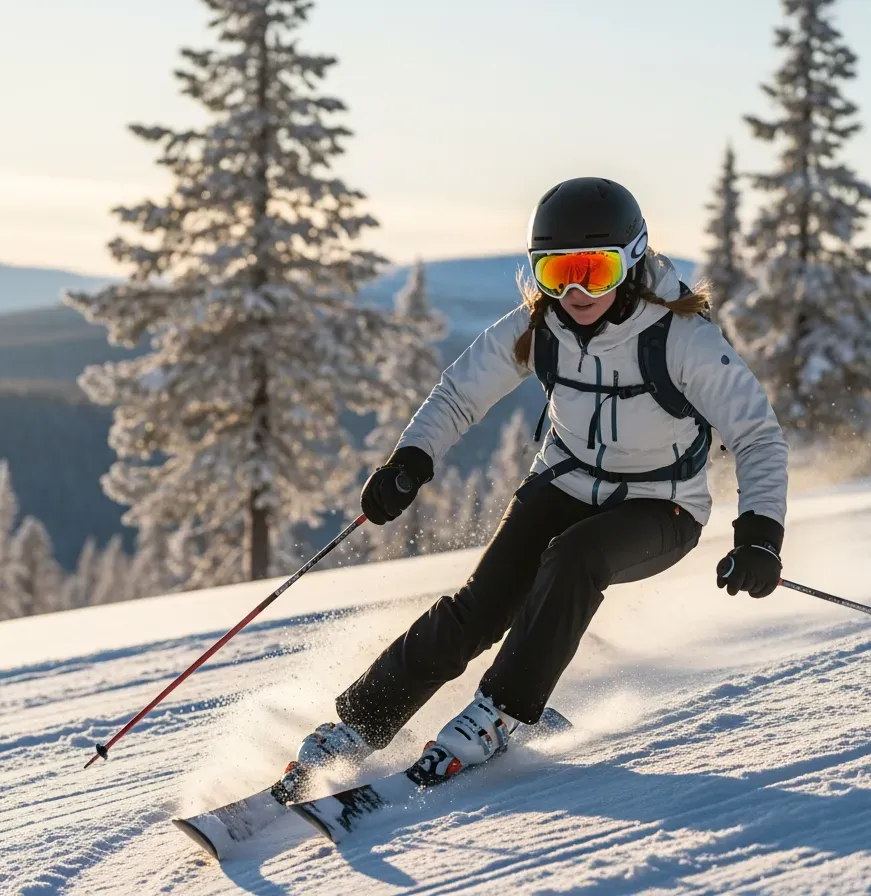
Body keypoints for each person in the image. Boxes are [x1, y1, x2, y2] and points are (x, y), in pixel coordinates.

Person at [295, 177, 789, 780]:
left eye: (594, 270)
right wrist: (410, 461)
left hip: (663, 507)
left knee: (575, 556)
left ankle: (501, 712)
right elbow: (458, 394)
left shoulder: (683, 338)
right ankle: (359, 723)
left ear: (632, 262)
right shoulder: (539, 327)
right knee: (481, 606)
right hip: (563, 483)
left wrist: (761, 534)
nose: (576, 291)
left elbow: (758, 435)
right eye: (557, 274)